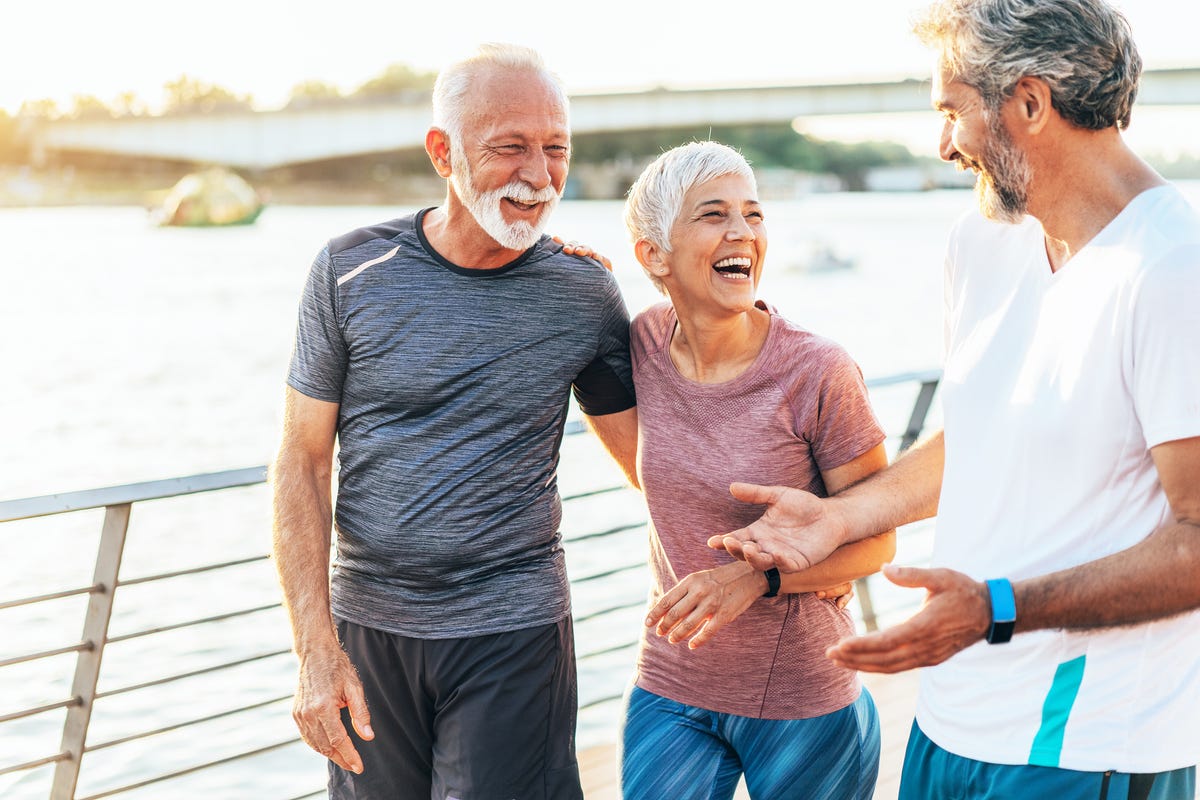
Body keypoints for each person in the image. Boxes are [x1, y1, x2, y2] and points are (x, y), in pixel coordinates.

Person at [710, 2, 1200, 798]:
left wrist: (997, 609)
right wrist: (842, 516)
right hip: (946, 720)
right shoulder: (982, 243)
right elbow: (983, 428)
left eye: (951, 112)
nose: (943, 146)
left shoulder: (1173, 271)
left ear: (1030, 103)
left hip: (1083, 748)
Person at [270, 43, 638, 800]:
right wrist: (314, 649)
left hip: (515, 634)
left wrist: (785, 557)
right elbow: (302, 462)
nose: (539, 177)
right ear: (444, 152)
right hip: (368, 635)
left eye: (556, 150)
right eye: (510, 149)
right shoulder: (346, 272)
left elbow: (653, 463)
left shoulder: (583, 293)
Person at [618, 140, 895, 799]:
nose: (742, 231)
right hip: (672, 683)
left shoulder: (819, 370)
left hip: (803, 693)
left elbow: (877, 542)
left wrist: (752, 580)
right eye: (714, 215)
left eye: (753, 213)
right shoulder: (641, 344)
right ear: (654, 255)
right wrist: (565, 271)